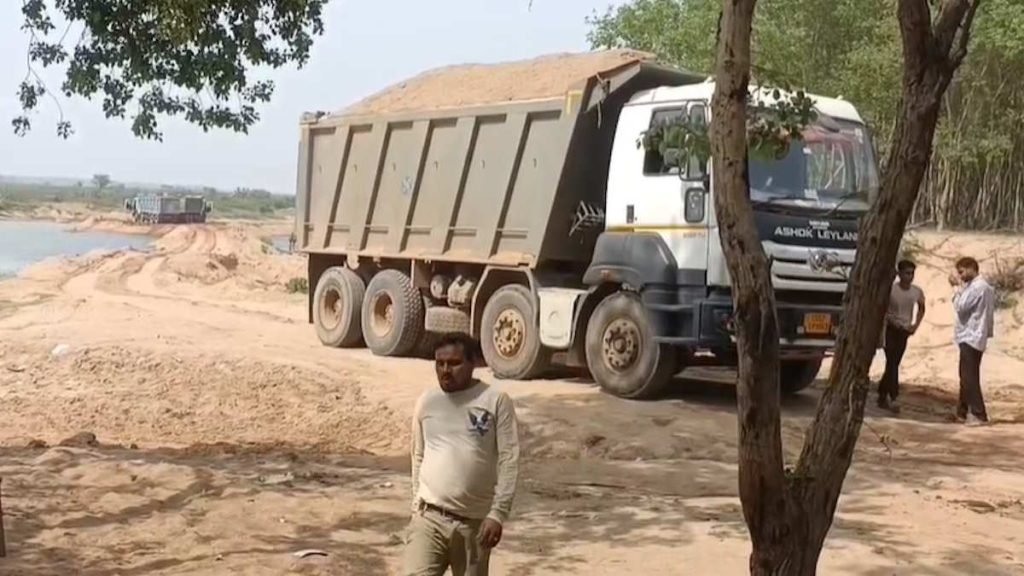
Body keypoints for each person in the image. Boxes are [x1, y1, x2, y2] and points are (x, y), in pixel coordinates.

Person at [403, 332, 520, 576]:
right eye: (440, 363)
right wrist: (416, 508)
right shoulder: (427, 401)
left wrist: (497, 514)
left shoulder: (496, 401)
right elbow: (418, 456)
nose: (446, 370)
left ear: (473, 363)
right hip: (429, 519)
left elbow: (509, 459)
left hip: (474, 524)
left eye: (454, 363)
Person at [948, 256, 996, 426]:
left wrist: (955, 289)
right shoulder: (980, 287)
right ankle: (962, 411)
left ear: (970, 268)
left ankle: (978, 413)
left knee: (969, 376)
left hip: (972, 335)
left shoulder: (979, 287)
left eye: (961, 272)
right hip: (972, 334)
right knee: (965, 374)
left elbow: (961, 306)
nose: (960, 276)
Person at [878, 259, 926, 412]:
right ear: (899, 274)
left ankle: (882, 393)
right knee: (891, 361)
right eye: (906, 273)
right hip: (891, 328)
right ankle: (893, 396)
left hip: (904, 330)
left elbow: (922, 308)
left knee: (894, 362)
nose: (909, 276)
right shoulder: (891, 289)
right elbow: (882, 307)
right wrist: (889, 320)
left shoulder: (916, 291)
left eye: (912, 273)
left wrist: (915, 326)